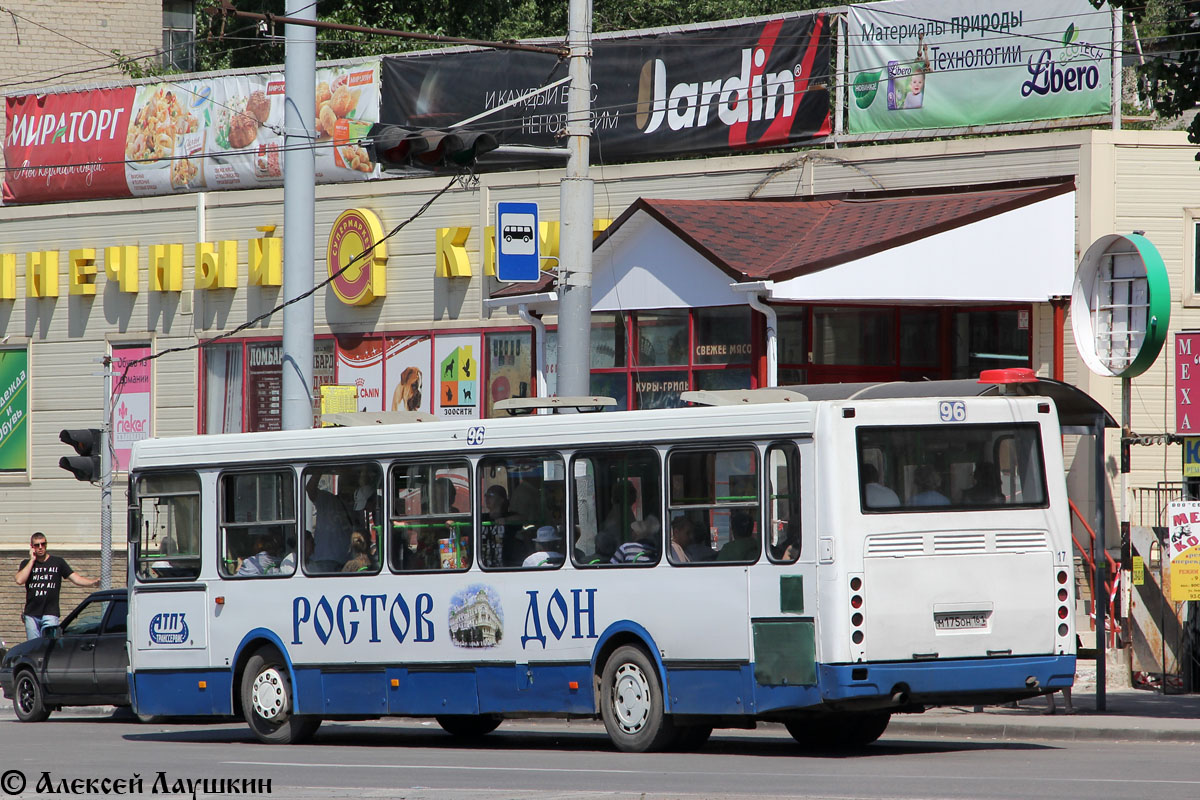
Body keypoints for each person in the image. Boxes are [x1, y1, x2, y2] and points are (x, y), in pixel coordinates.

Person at [14, 532, 99, 640]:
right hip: (31, 615)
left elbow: (75, 578)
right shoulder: (26, 563)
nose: (40, 547)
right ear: (32, 547)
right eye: (37, 545)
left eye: (43, 544)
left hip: (50, 613)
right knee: (34, 647)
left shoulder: (57, 562)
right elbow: (19, 580)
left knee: (49, 646)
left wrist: (92, 583)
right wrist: (32, 560)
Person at [306, 472, 355, 572]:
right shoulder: (327, 499)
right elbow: (310, 490)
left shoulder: (358, 506)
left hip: (347, 561)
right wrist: (318, 470)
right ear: (341, 486)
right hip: (325, 558)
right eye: (349, 485)